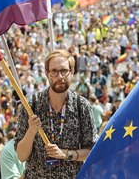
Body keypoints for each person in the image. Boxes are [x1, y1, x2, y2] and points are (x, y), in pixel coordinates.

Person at [15, 49, 97, 178]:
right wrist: (31, 131)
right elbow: (21, 156)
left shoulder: (82, 106)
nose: (60, 76)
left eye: (64, 71)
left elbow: (92, 150)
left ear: (72, 72)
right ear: (47, 74)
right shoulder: (31, 106)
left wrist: (66, 154)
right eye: (54, 71)